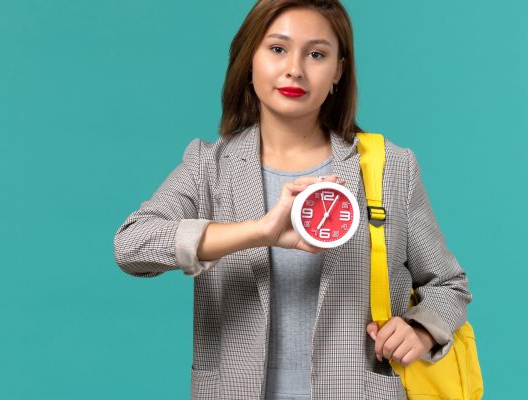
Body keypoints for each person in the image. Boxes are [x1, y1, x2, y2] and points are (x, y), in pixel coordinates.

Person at [113, 1, 472, 399]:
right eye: (277, 49)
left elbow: (448, 285)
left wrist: (421, 330)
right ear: (249, 59)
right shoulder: (208, 167)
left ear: (338, 70)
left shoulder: (391, 169)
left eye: (316, 54)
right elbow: (131, 245)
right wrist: (258, 232)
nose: (295, 69)